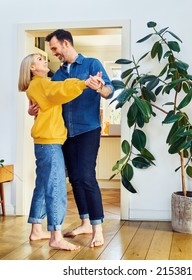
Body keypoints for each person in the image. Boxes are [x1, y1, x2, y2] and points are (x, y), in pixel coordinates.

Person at [29, 29, 114, 248]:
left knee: (86, 176)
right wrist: (34, 110)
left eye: (55, 48)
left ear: (66, 43)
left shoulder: (91, 64)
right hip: (66, 133)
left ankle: (97, 228)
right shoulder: (57, 75)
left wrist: (100, 88)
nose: (53, 53)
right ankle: (85, 223)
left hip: (88, 129)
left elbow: (110, 90)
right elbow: (50, 98)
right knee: (74, 178)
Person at [18, 53, 103, 251]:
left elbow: (53, 95)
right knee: (55, 187)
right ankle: (56, 235)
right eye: (40, 59)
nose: (45, 60)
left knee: (42, 186)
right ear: (31, 68)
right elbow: (60, 90)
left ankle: (36, 230)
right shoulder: (40, 85)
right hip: (49, 141)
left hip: (45, 141)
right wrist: (84, 83)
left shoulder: (38, 85)